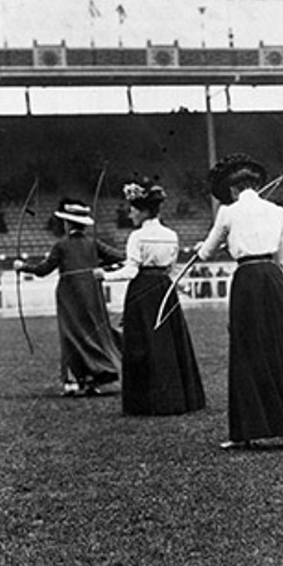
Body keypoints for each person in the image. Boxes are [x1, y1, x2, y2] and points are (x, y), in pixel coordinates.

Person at [197, 155, 283, 449]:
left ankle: (247, 432)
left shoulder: (228, 212)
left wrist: (216, 247)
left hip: (247, 278)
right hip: (273, 278)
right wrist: (272, 263)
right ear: (256, 186)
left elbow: (206, 254)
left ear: (234, 190)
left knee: (248, 348)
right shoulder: (277, 210)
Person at [99, 178, 206, 416]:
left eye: (133, 209)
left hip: (142, 292)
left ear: (144, 211)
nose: (130, 214)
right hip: (163, 290)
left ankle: (147, 402)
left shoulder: (137, 236)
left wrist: (103, 275)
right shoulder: (171, 235)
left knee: (142, 345)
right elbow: (170, 268)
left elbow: (131, 270)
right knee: (167, 342)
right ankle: (177, 398)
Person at [15, 199, 122, 396]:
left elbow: (43, 270)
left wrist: (23, 266)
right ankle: (94, 378)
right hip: (92, 293)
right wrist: (103, 266)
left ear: (67, 224)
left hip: (69, 296)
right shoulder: (93, 244)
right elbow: (120, 257)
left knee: (70, 334)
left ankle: (73, 382)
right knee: (93, 332)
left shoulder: (61, 246)